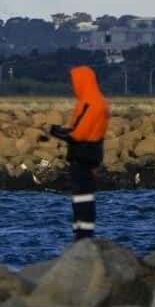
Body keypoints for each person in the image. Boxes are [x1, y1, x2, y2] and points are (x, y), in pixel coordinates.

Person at [49, 65, 110, 241]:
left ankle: (83, 235)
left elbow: (77, 134)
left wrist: (54, 131)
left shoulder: (91, 103)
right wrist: (60, 130)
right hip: (90, 156)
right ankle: (82, 232)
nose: (72, 85)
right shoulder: (95, 101)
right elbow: (76, 129)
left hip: (83, 157)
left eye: (74, 82)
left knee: (83, 197)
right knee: (83, 197)